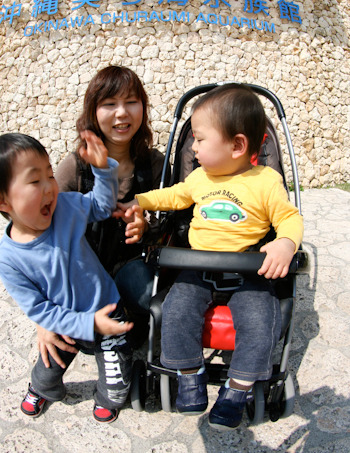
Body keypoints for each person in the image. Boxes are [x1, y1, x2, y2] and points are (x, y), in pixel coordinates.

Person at [118, 84, 304, 431]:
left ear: (237, 145)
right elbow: (173, 196)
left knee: (262, 324)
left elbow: (290, 218)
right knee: (175, 311)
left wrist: (285, 244)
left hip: (248, 270)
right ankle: (189, 373)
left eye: (201, 140)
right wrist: (139, 202)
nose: (194, 147)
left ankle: (238, 388)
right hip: (197, 267)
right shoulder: (199, 178)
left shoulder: (266, 180)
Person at [38, 65, 169, 366]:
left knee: (154, 298)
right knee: (68, 337)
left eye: (131, 102)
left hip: (133, 266)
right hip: (82, 272)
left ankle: (131, 330)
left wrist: (146, 227)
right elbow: (45, 233)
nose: (122, 113)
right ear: (93, 112)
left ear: (143, 108)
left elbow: (170, 227)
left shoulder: (155, 164)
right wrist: (44, 317)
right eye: (109, 104)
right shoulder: (75, 168)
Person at [0, 131, 134, 423]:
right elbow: (40, 309)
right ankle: (42, 387)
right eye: (35, 181)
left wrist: (103, 169)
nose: (49, 187)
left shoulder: (66, 208)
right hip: (64, 320)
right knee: (50, 360)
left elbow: (101, 205)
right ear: (3, 201)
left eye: (50, 174)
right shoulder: (9, 259)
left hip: (107, 307)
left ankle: (108, 394)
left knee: (117, 384)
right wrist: (84, 324)